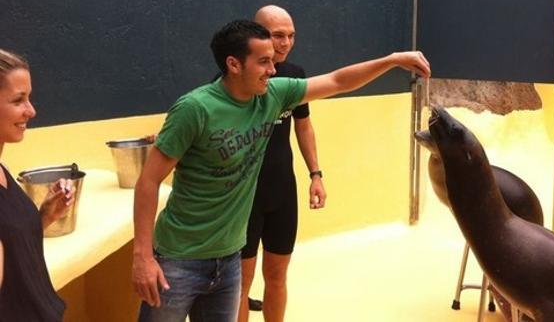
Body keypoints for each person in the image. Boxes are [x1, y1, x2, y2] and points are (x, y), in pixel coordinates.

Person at [132, 20, 430, 322]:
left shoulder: (273, 95)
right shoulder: (195, 109)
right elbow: (149, 180)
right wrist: (143, 257)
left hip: (229, 259)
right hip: (179, 260)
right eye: (263, 62)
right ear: (234, 64)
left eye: (272, 60)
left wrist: (392, 60)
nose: (273, 70)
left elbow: (338, 80)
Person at [238, 6, 326, 322]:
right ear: (257, 34)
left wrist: (315, 174)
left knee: (277, 277)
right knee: (241, 284)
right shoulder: (236, 77)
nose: (285, 43)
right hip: (244, 196)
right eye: (278, 35)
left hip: (281, 191)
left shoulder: (294, 76)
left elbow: (303, 124)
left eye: (291, 36)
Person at [0, 49, 76, 321]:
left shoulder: (2, 170)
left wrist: (44, 215)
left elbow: (13, 247)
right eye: (19, 100)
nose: (31, 111)